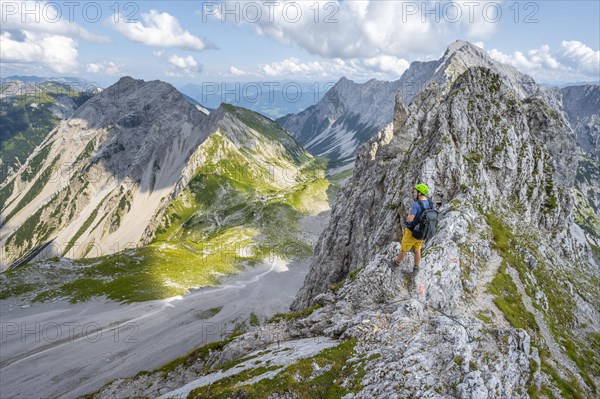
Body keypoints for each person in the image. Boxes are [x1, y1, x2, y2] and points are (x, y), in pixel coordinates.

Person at [390, 183, 431, 277]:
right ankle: (416, 268)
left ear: (419, 193)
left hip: (412, 232)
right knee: (417, 250)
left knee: (404, 249)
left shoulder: (416, 205)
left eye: (415, 191)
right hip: (422, 232)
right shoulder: (429, 202)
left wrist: (409, 212)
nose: (413, 193)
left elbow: (410, 219)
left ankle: (395, 263)